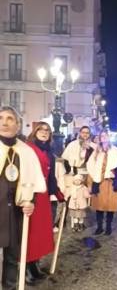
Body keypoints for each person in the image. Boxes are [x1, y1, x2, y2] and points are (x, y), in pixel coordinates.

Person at [0, 106, 46, 290]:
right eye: (1, 118)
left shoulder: (27, 152)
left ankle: (9, 287)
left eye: (10, 118)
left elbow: (32, 182)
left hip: (15, 212)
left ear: (18, 125)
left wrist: (30, 203)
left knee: (12, 257)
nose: (4, 122)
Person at [25, 122, 65, 282]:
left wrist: (58, 193)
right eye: (41, 129)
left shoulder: (49, 152)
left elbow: (50, 177)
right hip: (30, 196)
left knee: (39, 234)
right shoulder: (27, 149)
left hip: (43, 197)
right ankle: (27, 268)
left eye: (47, 130)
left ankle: (35, 265)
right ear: (35, 132)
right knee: (29, 233)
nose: (44, 132)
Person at [87, 131, 117, 235]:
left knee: (110, 206)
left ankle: (108, 226)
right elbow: (91, 166)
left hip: (111, 181)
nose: (103, 137)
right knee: (99, 206)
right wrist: (90, 182)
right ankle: (99, 227)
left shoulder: (115, 150)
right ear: (99, 138)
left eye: (105, 135)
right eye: (101, 136)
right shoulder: (96, 152)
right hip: (99, 181)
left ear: (109, 137)